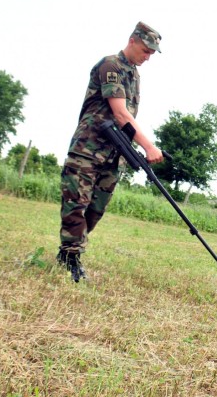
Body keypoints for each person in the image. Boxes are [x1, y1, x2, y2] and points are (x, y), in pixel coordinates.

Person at [56, 21, 165, 282]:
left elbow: (126, 118)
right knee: (76, 205)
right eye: (146, 50)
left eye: (152, 53)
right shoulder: (111, 66)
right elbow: (119, 113)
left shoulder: (134, 75)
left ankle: (69, 251)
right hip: (88, 150)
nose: (148, 56)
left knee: (95, 210)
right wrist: (148, 145)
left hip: (113, 154)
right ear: (132, 40)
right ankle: (71, 256)